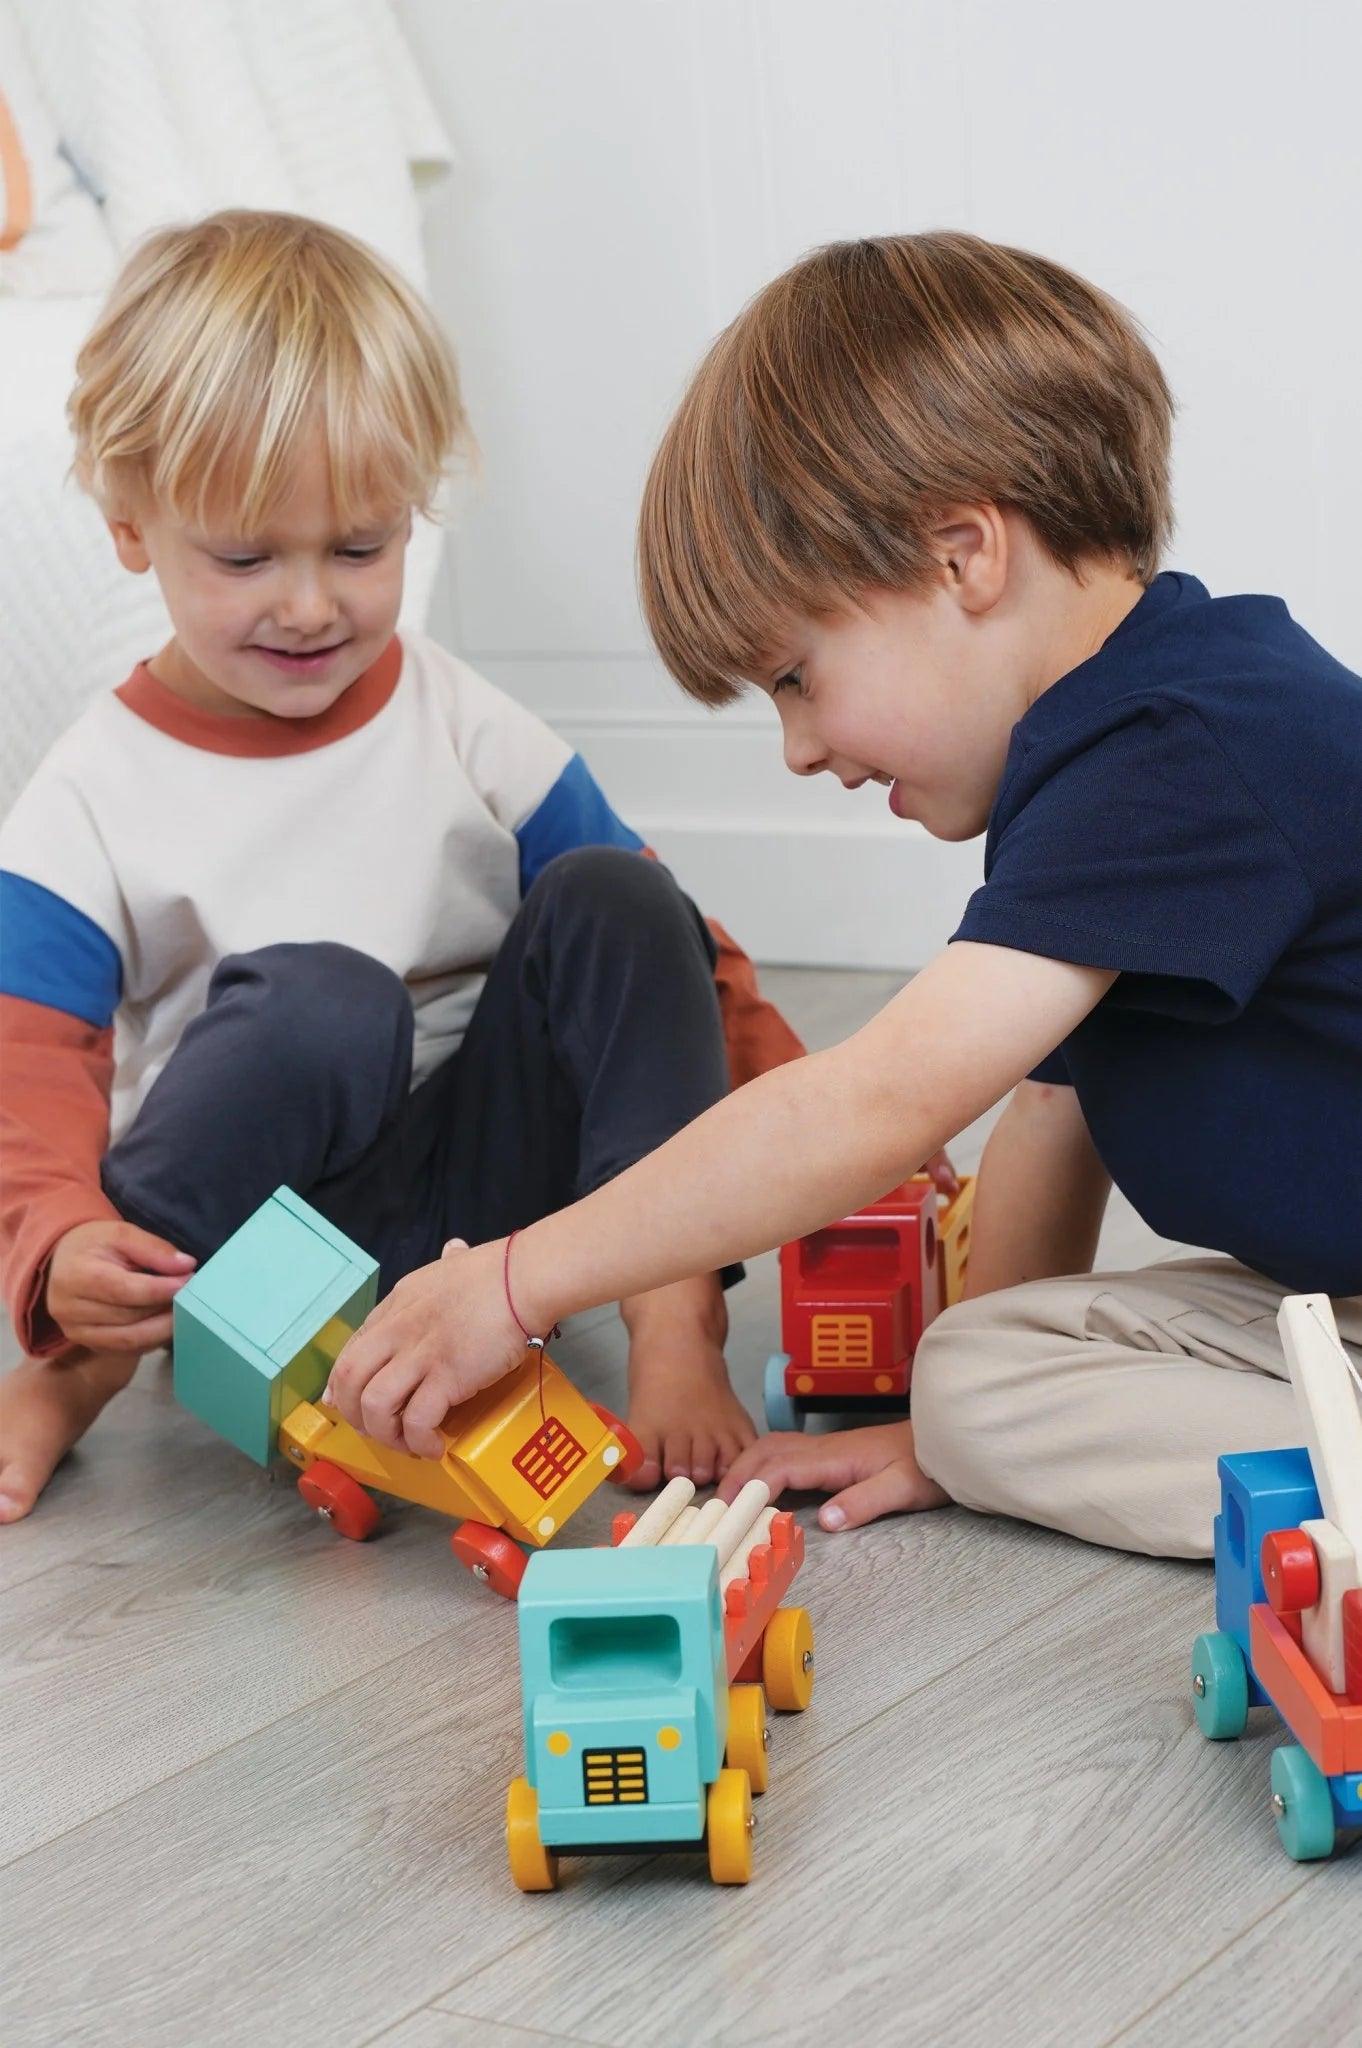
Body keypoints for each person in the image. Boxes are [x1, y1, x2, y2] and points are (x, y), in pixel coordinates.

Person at [323, 230, 1362, 1560]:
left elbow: (875, 1105)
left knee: (979, 1396)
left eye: (796, 678)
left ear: (962, 556)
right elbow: (1054, 1099)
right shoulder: (1114, 749)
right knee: (974, 1377)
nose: (798, 749)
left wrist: (518, 1280)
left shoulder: (1178, 755)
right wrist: (959, 1423)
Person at [0, 208, 804, 1523]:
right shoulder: (90, 796)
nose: (312, 604)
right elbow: (25, 1062)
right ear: (130, 523)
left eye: (362, 549)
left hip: (497, 1218)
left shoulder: (462, 722)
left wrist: (814, 1110)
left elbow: (669, 959)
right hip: (257, 1233)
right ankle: (72, 1379)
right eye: (248, 558)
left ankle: (673, 1331)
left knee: (613, 891)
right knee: (326, 1000)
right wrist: (60, 1245)